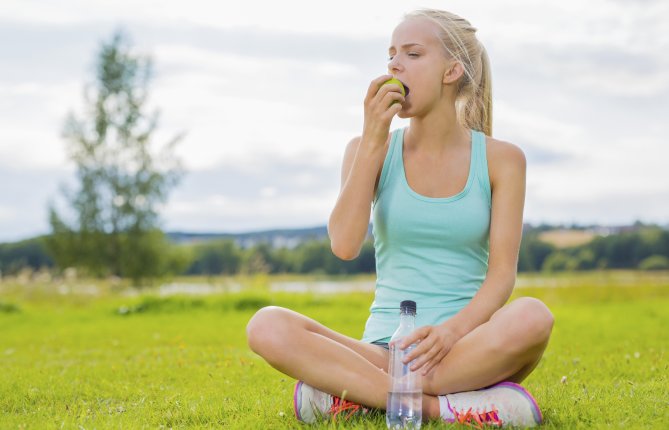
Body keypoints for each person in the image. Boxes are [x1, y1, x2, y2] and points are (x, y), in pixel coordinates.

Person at [246, 8, 554, 427]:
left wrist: (449, 333)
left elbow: (501, 278)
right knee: (267, 326)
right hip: (382, 351)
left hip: (464, 347)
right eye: (391, 54)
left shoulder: (503, 160)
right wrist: (374, 138)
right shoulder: (366, 149)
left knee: (533, 317)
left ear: (452, 71)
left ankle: (354, 393)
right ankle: (446, 408)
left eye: (412, 53)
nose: (394, 64)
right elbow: (344, 244)